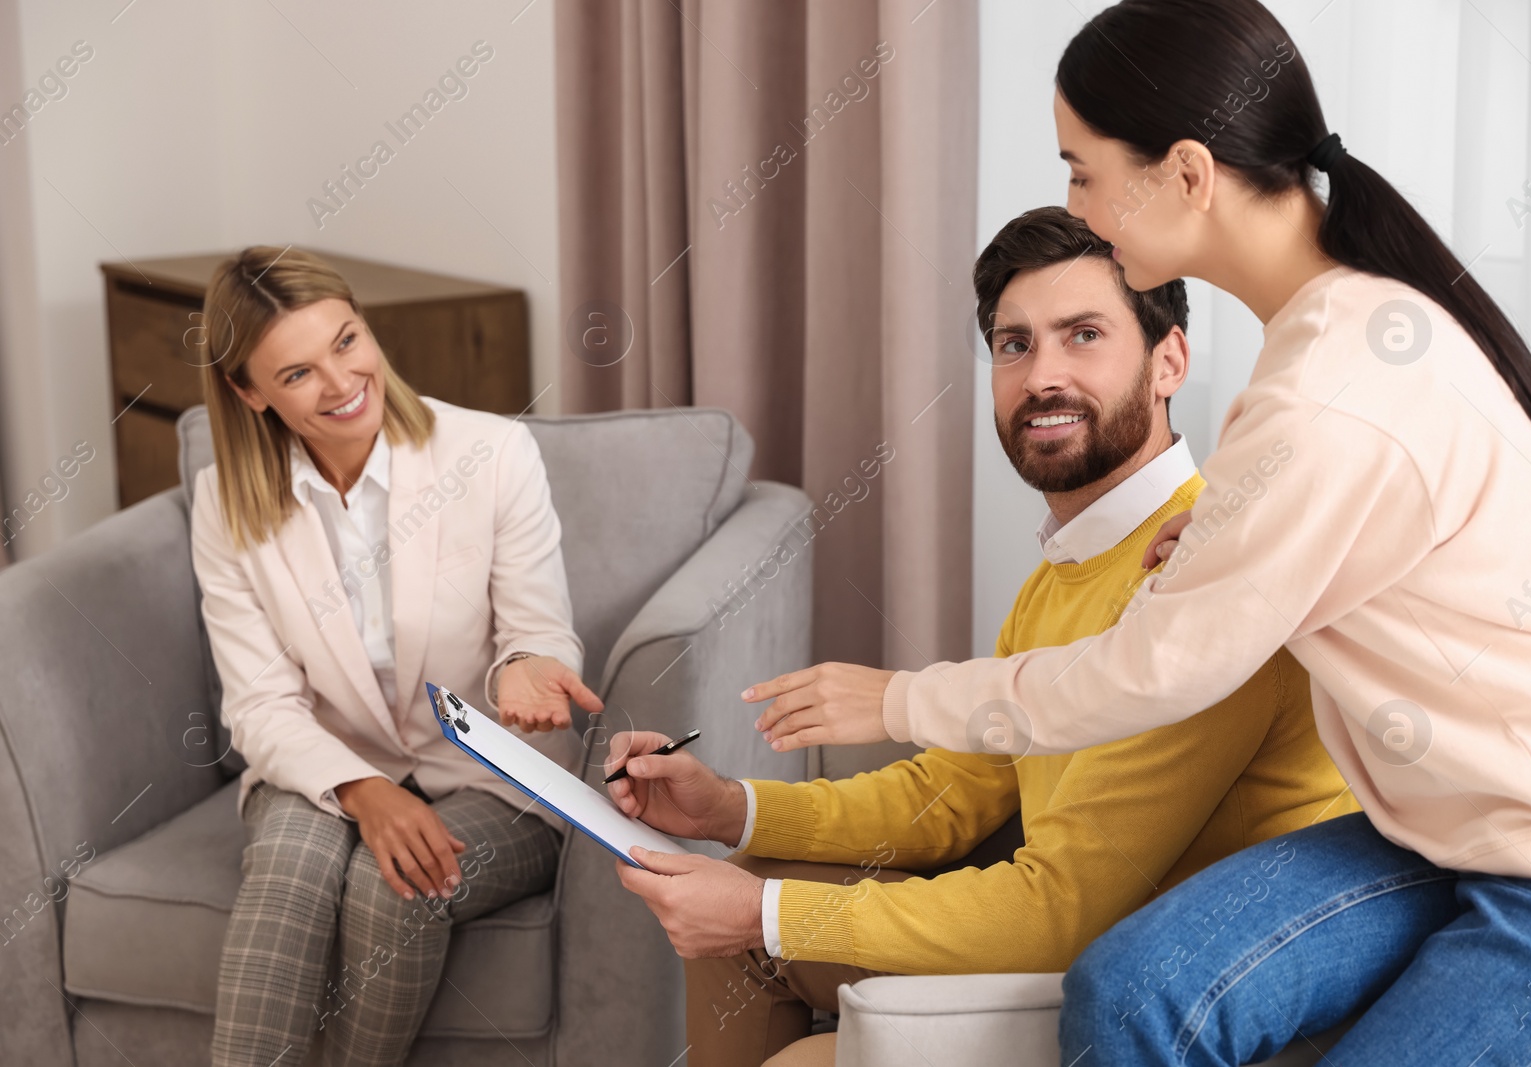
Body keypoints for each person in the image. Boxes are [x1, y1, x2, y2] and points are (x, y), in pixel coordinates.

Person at [740, 1, 1531, 1064]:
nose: (1077, 206)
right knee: (1135, 987)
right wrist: (1235, 544)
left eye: (1083, 169)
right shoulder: (1332, 338)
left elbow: (1151, 674)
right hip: (1444, 828)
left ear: (1186, 174)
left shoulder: (1332, 385)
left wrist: (898, 696)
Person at [606, 206, 1358, 1067]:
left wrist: (765, 910)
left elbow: (1062, 910)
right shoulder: (1066, 568)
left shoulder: (1203, 572)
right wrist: (730, 808)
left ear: (1169, 361)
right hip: (1076, 932)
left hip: (1158, 991)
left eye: (1083, 336)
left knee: (774, 990)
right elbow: (951, 796)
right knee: (740, 921)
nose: (1043, 375)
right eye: (1014, 345)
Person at [192, 247, 601, 1066]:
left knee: (397, 880)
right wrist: (364, 788)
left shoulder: (491, 454)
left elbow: (538, 629)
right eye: (298, 373)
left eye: (347, 341)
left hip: (494, 778)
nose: (343, 383)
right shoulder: (224, 501)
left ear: (366, 324)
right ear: (250, 393)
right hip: (329, 763)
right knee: (288, 869)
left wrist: (526, 665)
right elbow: (260, 705)